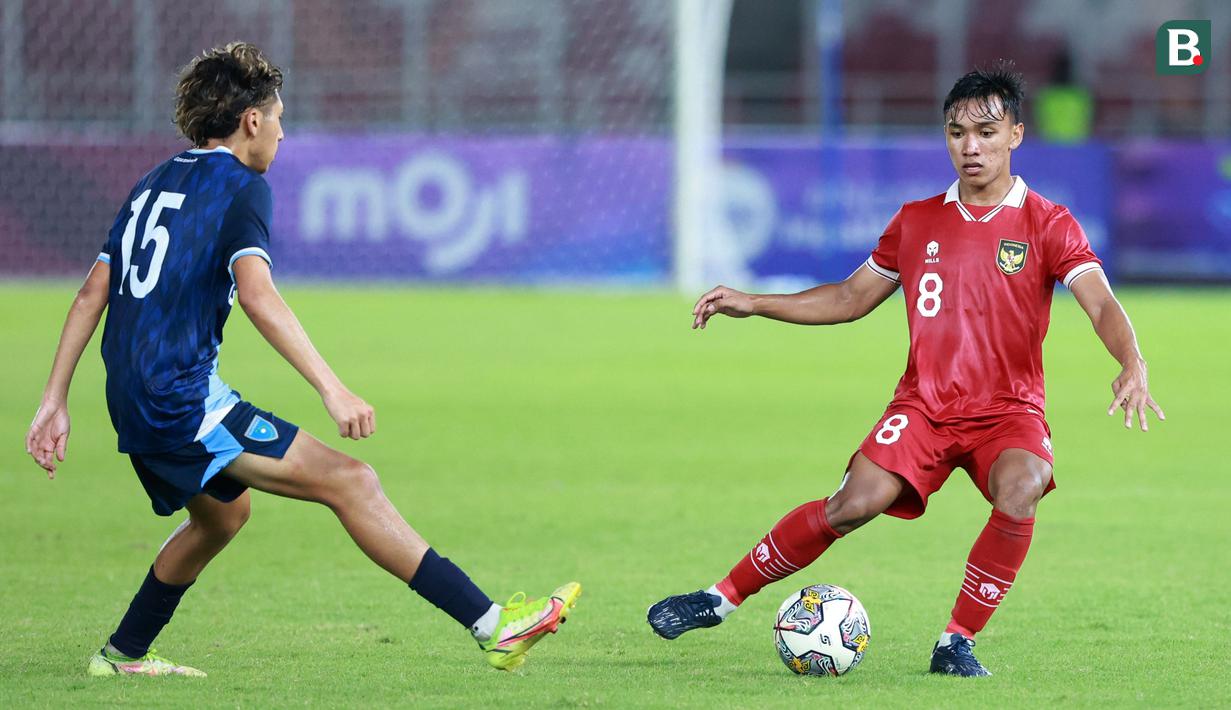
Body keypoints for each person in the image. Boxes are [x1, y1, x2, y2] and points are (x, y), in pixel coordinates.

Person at [25, 42, 579, 677]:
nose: (283, 134)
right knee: (352, 480)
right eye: (279, 118)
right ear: (251, 121)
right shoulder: (240, 188)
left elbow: (92, 290)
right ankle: (494, 627)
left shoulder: (154, 181)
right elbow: (258, 295)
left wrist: (54, 398)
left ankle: (121, 654)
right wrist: (332, 388)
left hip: (130, 394)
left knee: (223, 516)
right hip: (176, 399)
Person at [647, 62, 1163, 677]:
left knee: (1022, 486)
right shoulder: (917, 221)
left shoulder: (1048, 223)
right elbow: (847, 299)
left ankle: (956, 641)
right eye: (956, 132)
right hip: (923, 406)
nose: (970, 146)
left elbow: (1100, 302)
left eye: (986, 132)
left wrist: (1132, 361)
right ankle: (717, 598)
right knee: (852, 505)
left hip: (1007, 412)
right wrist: (755, 302)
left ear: (1016, 136)